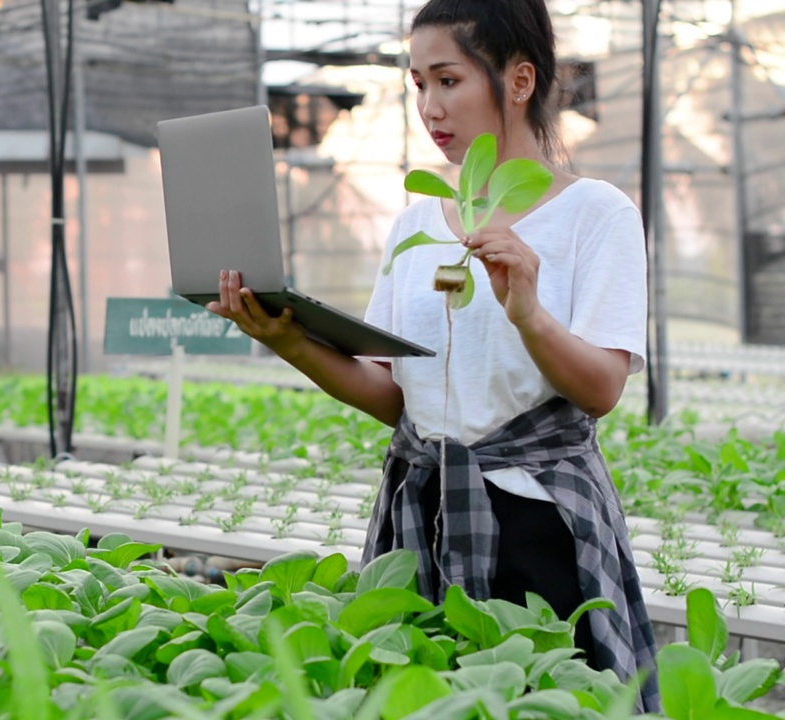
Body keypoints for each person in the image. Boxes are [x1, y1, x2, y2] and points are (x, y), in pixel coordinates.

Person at [207, 0, 660, 710]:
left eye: (448, 80)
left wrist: (528, 312)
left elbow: (602, 388)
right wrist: (288, 339)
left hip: (536, 522)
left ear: (518, 81)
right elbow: (394, 395)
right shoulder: (419, 223)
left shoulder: (595, 216)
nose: (429, 106)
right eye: (417, 84)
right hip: (421, 510)